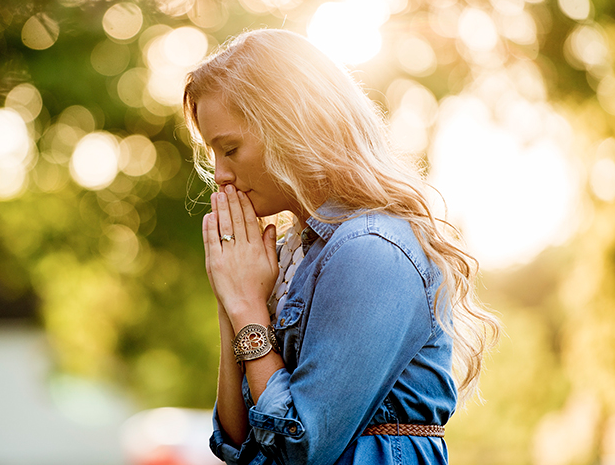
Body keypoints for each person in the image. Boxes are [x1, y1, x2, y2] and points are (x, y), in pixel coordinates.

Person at [182, 29, 501, 465]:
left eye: (231, 148)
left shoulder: (370, 249)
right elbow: (236, 441)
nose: (220, 175)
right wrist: (233, 297)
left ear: (290, 126)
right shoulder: (294, 255)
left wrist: (247, 309)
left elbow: (303, 448)